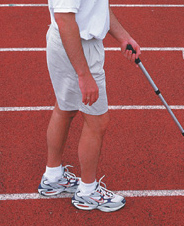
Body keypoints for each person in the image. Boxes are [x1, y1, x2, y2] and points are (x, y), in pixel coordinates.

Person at [38, 0, 141, 212]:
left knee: (65, 109)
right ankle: (87, 192)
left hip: (72, 44)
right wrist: (83, 74)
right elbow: (65, 19)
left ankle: (53, 176)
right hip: (77, 47)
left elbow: (96, 6)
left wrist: (123, 36)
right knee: (97, 121)